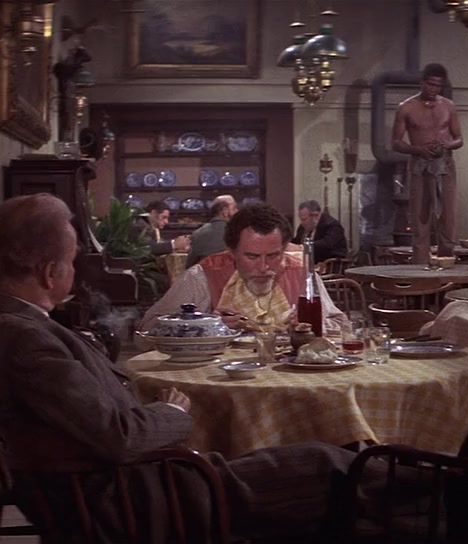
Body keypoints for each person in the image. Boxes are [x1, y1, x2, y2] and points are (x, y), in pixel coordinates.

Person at [0, 194, 360, 542]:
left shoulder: (26, 327)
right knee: (331, 466)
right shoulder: (25, 340)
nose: (76, 269)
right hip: (153, 497)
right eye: (73, 260)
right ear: (51, 273)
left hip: (153, 479)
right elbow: (120, 436)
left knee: (334, 469)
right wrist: (171, 412)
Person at [142, 203, 346, 335]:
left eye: (273, 256)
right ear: (231, 251)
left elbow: (343, 324)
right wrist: (207, 325)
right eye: (252, 257)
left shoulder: (302, 275)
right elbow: (147, 329)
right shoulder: (202, 276)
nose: (264, 267)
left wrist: (314, 323)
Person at [392, 62, 465, 261]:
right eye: (431, 84)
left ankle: (446, 264)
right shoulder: (406, 107)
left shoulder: (449, 106)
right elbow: (396, 142)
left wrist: (446, 145)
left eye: (438, 86)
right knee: (420, 218)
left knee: (448, 217)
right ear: (422, 82)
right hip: (419, 165)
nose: (434, 89)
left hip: (444, 165)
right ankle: (420, 268)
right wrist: (417, 149)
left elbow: (459, 139)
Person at [186, 195, 237, 268]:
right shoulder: (238, 233)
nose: (237, 211)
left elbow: (190, 266)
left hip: (204, 274)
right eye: (234, 208)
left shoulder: (197, 234)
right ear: (225, 211)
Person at [292, 200, 348, 264]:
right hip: (309, 262)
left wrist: (303, 247)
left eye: (304, 219)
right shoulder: (302, 227)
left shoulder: (332, 225)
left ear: (316, 215)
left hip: (329, 264)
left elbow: (326, 244)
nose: (301, 223)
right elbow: (297, 241)